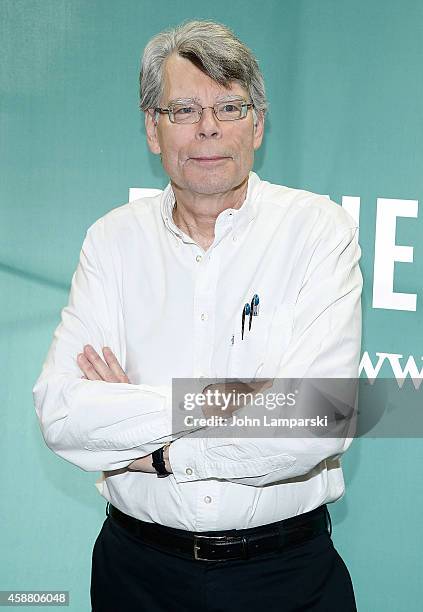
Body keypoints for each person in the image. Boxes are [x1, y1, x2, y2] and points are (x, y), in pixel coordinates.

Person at [32, 19, 362, 612]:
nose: (208, 128)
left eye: (229, 107)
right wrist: (229, 401)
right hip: (136, 574)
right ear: (153, 130)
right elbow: (61, 413)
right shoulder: (111, 240)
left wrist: (154, 448)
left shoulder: (317, 230)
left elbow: (317, 418)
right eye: (182, 109)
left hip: (285, 576)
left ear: (258, 125)